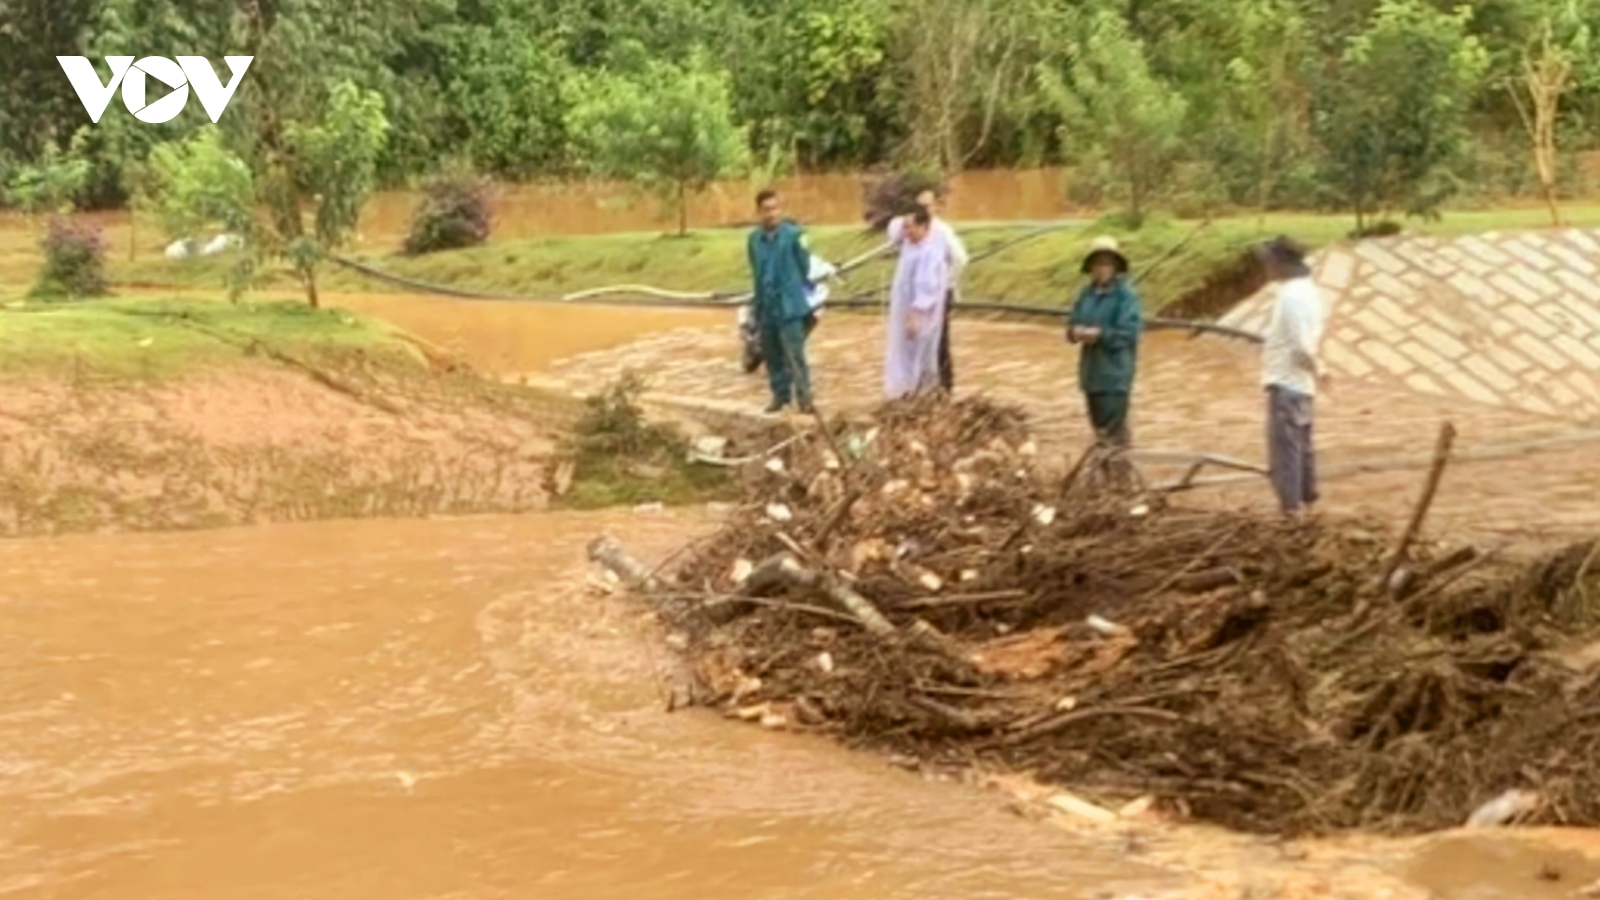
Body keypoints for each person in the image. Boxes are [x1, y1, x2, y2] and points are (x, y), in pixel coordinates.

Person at [1257, 236, 1325, 519]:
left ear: (1282, 263)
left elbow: (1300, 346)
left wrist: (1319, 368)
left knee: (1286, 452)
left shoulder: (1291, 296)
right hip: (1301, 386)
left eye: (1269, 262)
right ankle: (1306, 506)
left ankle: (1292, 512)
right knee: (1302, 447)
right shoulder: (1309, 292)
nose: (1266, 268)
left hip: (1287, 383)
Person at [888, 188, 968, 393]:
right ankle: (911, 386)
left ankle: (941, 388)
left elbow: (960, 258)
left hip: (935, 294)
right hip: (910, 296)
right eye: (920, 205)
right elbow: (895, 233)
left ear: (934, 206)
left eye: (927, 205)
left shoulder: (941, 233)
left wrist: (946, 285)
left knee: (936, 340)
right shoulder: (909, 233)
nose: (924, 208)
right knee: (908, 342)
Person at [1067, 236, 1143, 447]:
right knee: (1099, 433)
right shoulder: (1086, 294)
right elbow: (1072, 323)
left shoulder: (1126, 298)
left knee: (1113, 436)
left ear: (1115, 267)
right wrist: (1075, 332)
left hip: (1115, 377)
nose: (1101, 268)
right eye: (1097, 263)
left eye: (1106, 263)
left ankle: (1119, 476)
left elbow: (1128, 333)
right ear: (1090, 267)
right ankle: (1109, 476)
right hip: (1091, 376)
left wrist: (1100, 335)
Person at [747, 189, 815, 414]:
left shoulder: (795, 235)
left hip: (790, 305)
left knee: (794, 353)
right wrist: (757, 309)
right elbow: (756, 272)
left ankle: (805, 400)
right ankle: (780, 396)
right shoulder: (754, 240)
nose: (772, 214)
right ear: (759, 212)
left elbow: (805, 268)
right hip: (767, 304)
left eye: (775, 208)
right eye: (766, 210)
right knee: (772, 354)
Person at [884, 207, 950, 400]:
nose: (906, 231)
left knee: (919, 351)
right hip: (903, 306)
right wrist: (905, 222)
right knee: (901, 350)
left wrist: (915, 313)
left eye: (911, 227)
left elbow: (927, 286)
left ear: (923, 226)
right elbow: (894, 229)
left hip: (921, 312)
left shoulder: (930, 251)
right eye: (905, 227)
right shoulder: (909, 243)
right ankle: (902, 390)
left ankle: (921, 393)